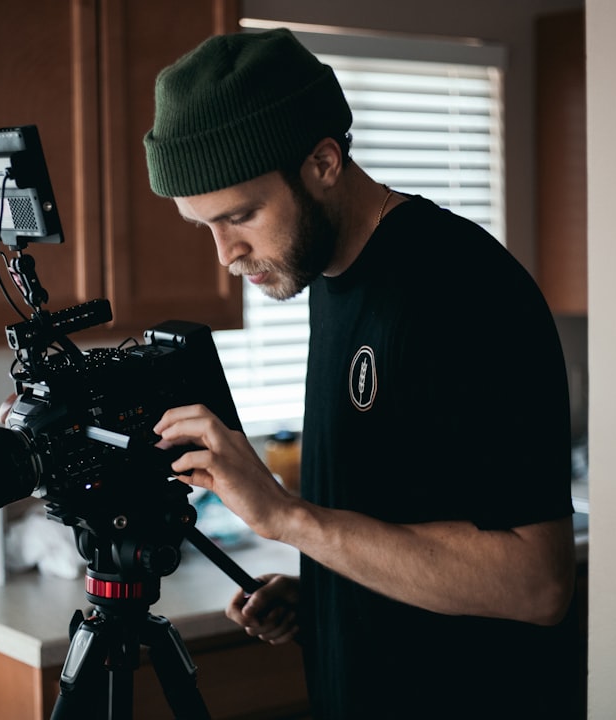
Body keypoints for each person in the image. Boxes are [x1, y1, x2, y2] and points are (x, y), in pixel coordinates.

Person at [145, 28, 578, 718]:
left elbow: (536, 584)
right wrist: (325, 590)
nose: (226, 254)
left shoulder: (462, 289)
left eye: (243, 215)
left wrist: (288, 517)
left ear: (322, 162)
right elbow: (402, 514)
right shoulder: (331, 277)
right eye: (207, 226)